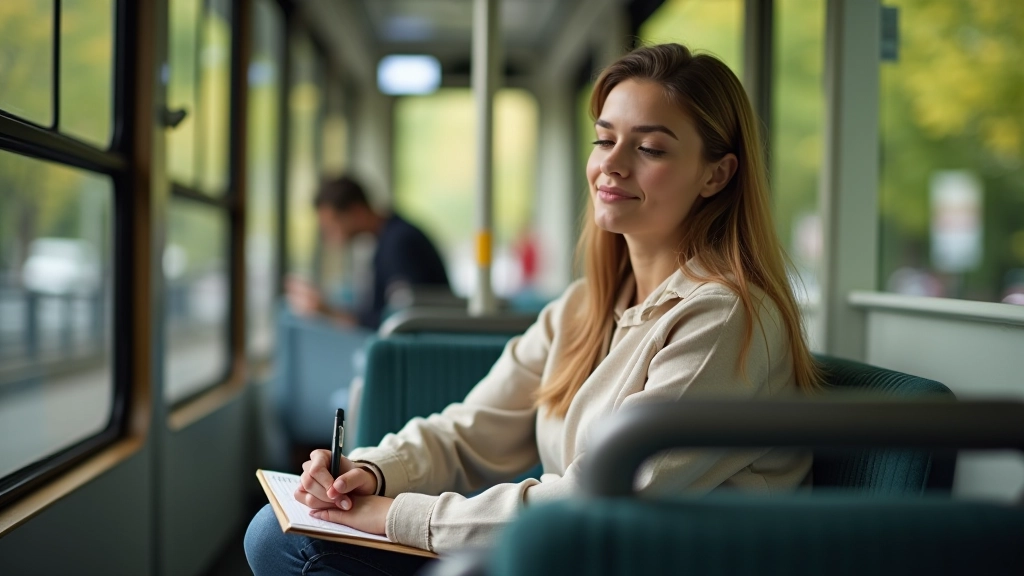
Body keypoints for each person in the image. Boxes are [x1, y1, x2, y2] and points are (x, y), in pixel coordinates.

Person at [245, 43, 821, 575]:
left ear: (717, 175)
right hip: (576, 553)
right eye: (604, 139)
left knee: (282, 542)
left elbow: (601, 499)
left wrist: (393, 516)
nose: (611, 165)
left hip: (639, 557)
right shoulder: (584, 307)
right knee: (278, 530)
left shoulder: (724, 319)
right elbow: (467, 433)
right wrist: (368, 472)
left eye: (649, 148)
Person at [286, 175, 451, 329]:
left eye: (333, 223)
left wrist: (328, 311)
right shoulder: (389, 238)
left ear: (357, 211)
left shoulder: (399, 244)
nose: (329, 234)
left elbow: (399, 321)